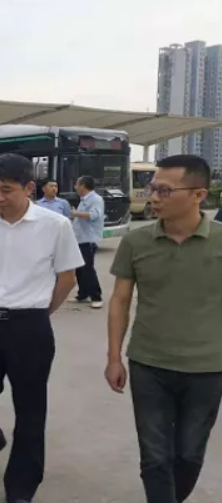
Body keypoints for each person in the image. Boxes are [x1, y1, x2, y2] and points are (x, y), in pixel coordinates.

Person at [0, 153, 84, 503]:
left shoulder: (55, 225)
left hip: (29, 326)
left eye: (6, 190)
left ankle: (21, 486)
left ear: (29, 187)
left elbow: (67, 278)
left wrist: (39, 312)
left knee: (30, 408)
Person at [105, 154, 222, 503]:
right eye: (152, 188)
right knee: (155, 457)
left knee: (188, 455)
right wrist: (114, 357)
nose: (153, 197)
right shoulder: (136, 243)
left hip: (208, 368)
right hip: (149, 364)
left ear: (198, 195)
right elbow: (120, 301)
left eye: (164, 190)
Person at [69, 175, 105, 308]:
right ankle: (83, 294)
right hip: (79, 239)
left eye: (77, 184)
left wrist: (74, 213)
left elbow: (94, 215)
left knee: (87, 269)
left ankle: (96, 296)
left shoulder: (95, 199)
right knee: (79, 268)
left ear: (83, 185)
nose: (75, 187)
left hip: (88, 239)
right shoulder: (84, 199)